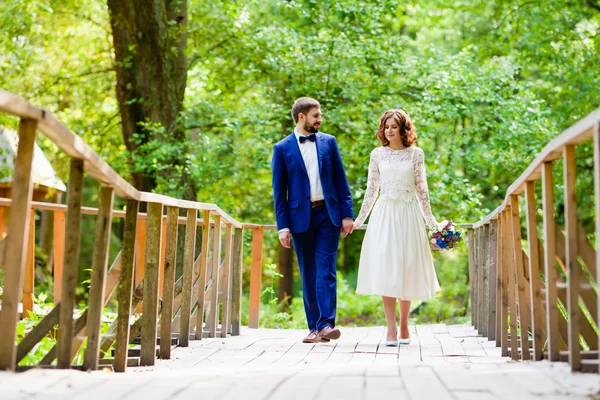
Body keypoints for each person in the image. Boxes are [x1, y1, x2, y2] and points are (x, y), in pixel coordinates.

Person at [353, 109, 440, 346]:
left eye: (394, 126)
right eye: (386, 126)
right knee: (388, 268)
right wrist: (359, 220)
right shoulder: (377, 155)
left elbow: (423, 190)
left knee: (407, 267)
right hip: (385, 214)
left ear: (404, 129)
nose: (389, 131)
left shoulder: (416, 154)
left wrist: (432, 223)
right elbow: (371, 190)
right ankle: (390, 328)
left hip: (409, 214)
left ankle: (404, 325)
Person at [272, 97, 354, 343]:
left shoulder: (329, 142)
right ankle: (314, 328)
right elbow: (279, 192)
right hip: (299, 218)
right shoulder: (282, 148)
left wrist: (347, 214)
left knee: (326, 270)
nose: (320, 119)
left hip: (329, 215)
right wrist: (282, 227)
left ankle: (327, 325)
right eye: (316, 115)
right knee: (308, 272)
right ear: (301, 117)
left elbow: (341, 180)